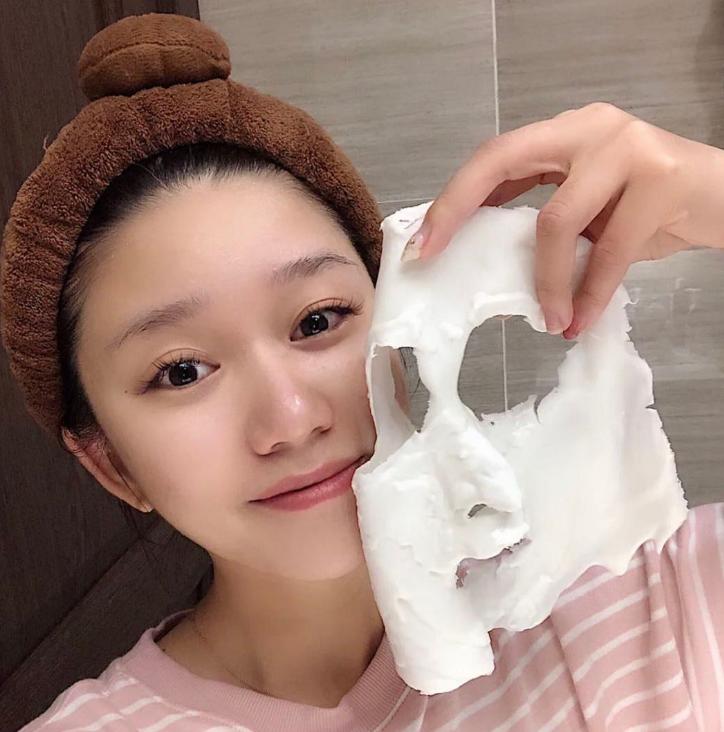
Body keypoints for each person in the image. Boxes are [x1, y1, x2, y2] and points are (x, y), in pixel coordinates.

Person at [3, 14, 721, 732]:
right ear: (110, 464)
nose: (291, 420)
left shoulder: (644, 595)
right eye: (182, 371)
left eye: (318, 321)